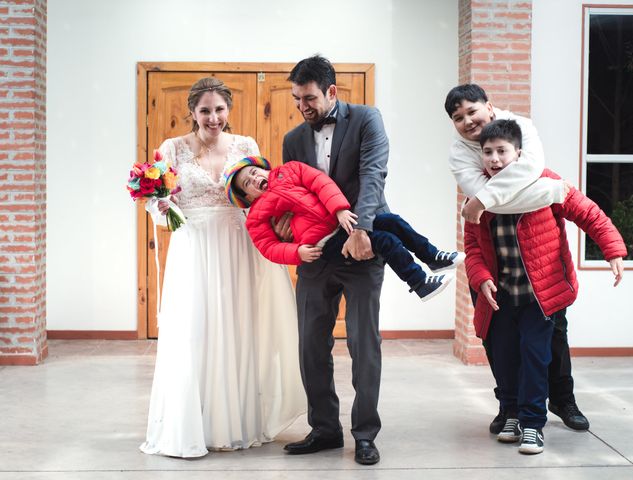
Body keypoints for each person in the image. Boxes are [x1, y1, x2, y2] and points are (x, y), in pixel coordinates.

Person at [139, 77, 305, 458]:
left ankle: (238, 421)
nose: (213, 118)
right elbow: (156, 200)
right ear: (192, 113)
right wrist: (161, 208)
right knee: (194, 329)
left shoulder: (246, 145)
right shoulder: (172, 148)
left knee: (239, 327)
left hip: (238, 246)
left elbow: (262, 194)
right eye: (204, 111)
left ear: (227, 110)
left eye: (219, 110)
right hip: (194, 247)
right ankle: (194, 422)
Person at [464, 119, 626, 454]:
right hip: (502, 297)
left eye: (502, 151)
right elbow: (473, 248)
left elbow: (590, 214)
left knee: (536, 358)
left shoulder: (545, 183)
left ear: (519, 153)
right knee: (506, 358)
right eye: (488, 152)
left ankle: (533, 424)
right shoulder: (478, 196)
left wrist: (613, 250)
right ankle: (510, 413)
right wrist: (481, 279)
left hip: (541, 296)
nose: (494, 159)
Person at [444, 83, 591, 433]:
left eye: (471, 111)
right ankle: (508, 407)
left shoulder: (520, 127)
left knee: (551, 338)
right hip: (495, 266)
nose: (467, 121)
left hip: (541, 262)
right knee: (498, 341)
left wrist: (487, 199)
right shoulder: (459, 152)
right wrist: (538, 193)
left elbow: (530, 170)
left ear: (489, 106)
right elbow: (492, 193)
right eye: (458, 117)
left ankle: (563, 399)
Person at [274, 55, 388, 465]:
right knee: (310, 344)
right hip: (316, 253)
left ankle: (365, 434)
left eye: (308, 98)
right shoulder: (293, 140)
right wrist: (286, 220)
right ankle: (324, 429)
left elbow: (374, 175)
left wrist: (362, 231)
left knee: (363, 344)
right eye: (296, 98)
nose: (302, 106)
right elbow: (294, 190)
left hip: (361, 248)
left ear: (332, 91)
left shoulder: (366, 119)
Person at [223, 155, 463, 301]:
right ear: (248, 197)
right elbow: (267, 246)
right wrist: (296, 253)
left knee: (392, 221)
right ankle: (419, 283)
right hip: (325, 242)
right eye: (248, 184)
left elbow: (320, 182)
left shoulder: (291, 170)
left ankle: (432, 256)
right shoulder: (256, 215)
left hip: (342, 220)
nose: (255, 179)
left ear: (264, 167)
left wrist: (339, 208)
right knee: (385, 240)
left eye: (254, 172)